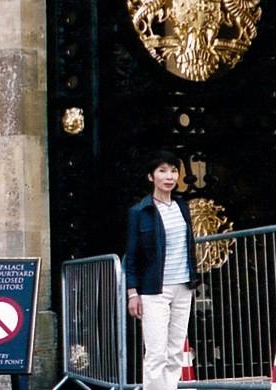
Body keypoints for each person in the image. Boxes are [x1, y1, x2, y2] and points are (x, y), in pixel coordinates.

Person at [125, 150, 199, 390]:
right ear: (151, 176)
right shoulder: (140, 212)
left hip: (183, 286)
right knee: (156, 352)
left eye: (174, 171)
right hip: (154, 289)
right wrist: (132, 293)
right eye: (162, 171)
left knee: (176, 351)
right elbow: (132, 255)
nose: (169, 177)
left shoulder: (182, 206)